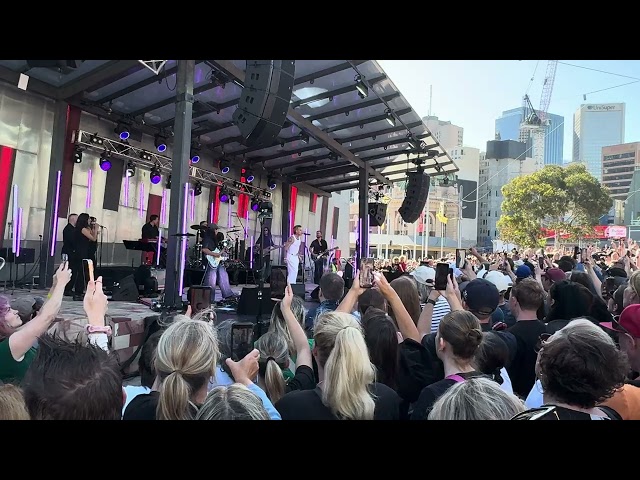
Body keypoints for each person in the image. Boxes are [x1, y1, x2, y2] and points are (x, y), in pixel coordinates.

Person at [201, 223, 236, 304]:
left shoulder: (213, 239)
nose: (217, 231)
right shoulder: (207, 238)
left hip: (216, 261)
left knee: (223, 274)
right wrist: (215, 254)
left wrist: (222, 251)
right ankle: (209, 299)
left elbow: (216, 250)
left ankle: (227, 294)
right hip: (210, 261)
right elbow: (204, 249)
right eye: (216, 229)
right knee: (211, 280)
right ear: (213, 230)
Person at [72, 213, 98, 300]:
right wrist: (96, 229)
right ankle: (78, 293)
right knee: (82, 273)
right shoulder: (82, 229)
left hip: (82, 252)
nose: (90, 221)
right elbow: (93, 238)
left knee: (83, 273)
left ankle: (80, 291)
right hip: (81, 253)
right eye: (88, 219)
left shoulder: (81, 229)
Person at [61, 213, 77, 296]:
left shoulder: (72, 229)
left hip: (70, 252)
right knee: (69, 269)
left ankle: (69, 288)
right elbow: (71, 241)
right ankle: (67, 289)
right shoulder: (68, 229)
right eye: (76, 219)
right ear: (73, 219)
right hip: (68, 252)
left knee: (72, 270)